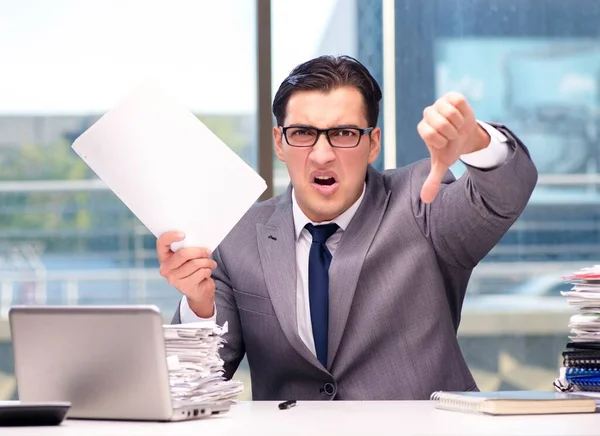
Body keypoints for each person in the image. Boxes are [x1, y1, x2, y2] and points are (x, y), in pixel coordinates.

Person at [157, 55, 537, 400]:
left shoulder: (420, 201)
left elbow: (504, 194)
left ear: (373, 144)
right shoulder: (237, 236)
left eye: (343, 134)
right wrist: (198, 303)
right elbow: (198, 381)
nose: (322, 155)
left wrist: (476, 142)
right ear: (279, 142)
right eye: (303, 133)